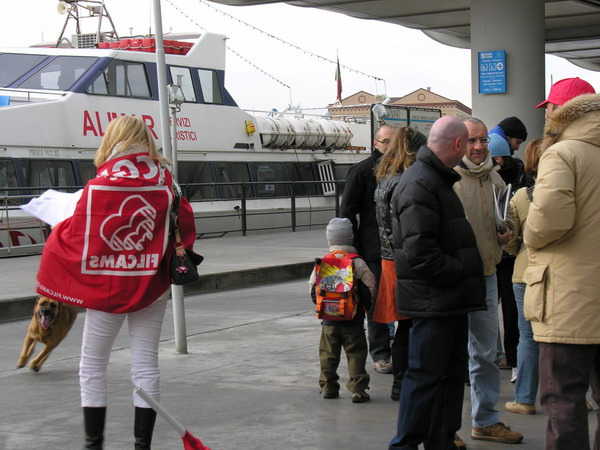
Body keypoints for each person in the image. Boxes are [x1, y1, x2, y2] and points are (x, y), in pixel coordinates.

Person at [36, 115, 197, 449]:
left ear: (112, 139)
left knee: (93, 365)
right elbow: (185, 226)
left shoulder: (101, 184)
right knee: (146, 365)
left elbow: (77, 234)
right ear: (147, 140)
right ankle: (142, 446)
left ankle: (93, 445)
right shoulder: (167, 182)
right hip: (152, 286)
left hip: (107, 286)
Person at [388, 116, 486, 449]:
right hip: (435, 299)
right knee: (426, 377)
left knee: (447, 375)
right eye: (469, 142)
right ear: (457, 144)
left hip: (446, 298)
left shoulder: (433, 178)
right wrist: (461, 270)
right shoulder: (421, 182)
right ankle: (405, 445)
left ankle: (440, 441)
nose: (472, 149)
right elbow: (420, 253)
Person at [525, 80, 600, 448]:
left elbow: (549, 221)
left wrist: (527, 234)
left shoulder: (561, 153)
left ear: (562, 111)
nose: (547, 115)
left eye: (549, 108)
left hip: (569, 300)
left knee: (563, 398)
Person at [453, 118, 522, 444]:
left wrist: (507, 232)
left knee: (485, 356)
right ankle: (446, 429)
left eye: (483, 140)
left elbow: (505, 222)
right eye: (472, 140)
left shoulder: (494, 178)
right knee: (451, 356)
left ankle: (485, 421)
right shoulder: (449, 178)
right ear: (458, 143)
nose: (479, 147)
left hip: (487, 276)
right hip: (454, 280)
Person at [373, 127, 427, 401]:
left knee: (403, 324)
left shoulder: (385, 178)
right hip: (404, 259)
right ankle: (404, 382)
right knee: (410, 324)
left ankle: (400, 382)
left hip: (389, 258)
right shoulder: (407, 180)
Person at [341, 124, 395, 374]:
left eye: (395, 142)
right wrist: (353, 248)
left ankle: (398, 348)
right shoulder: (362, 170)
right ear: (376, 144)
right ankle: (381, 353)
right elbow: (347, 211)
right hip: (373, 249)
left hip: (399, 248)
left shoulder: (404, 169)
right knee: (375, 303)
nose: (391, 147)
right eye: (386, 142)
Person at [309, 217, 377, 403]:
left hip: (329, 320)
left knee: (328, 354)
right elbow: (370, 287)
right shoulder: (357, 262)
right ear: (351, 238)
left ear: (329, 239)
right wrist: (365, 308)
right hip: (353, 319)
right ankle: (358, 389)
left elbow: (312, 288)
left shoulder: (323, 262)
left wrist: (323, 306)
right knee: (356, 353)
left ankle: (328, 387)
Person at [503, 138, 542, 415]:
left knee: (527, 336)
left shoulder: (520, 197)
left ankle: (525, 398)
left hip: (525, 272)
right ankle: (577, 396)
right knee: (562, 336)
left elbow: (509, 240)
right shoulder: (574, 194)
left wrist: (519, 249)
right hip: (561, 273)